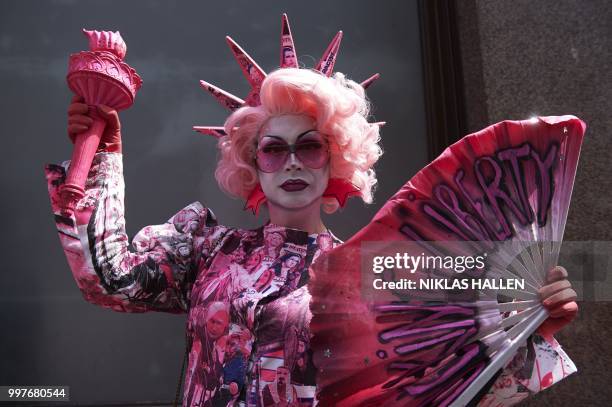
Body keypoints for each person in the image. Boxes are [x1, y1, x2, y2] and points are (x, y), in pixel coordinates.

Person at [47, 16, 578, 407]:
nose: (293, 162)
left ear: (337, 158)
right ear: (253, 164)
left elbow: (436, 388)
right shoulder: (205, 250)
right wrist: (100, 152)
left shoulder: (368, 276)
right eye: (274, 149)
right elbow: (107, 279)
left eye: (311, 146)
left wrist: (536, 327)